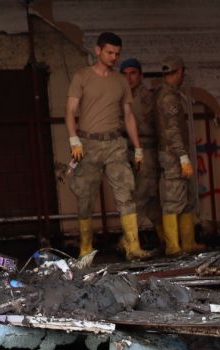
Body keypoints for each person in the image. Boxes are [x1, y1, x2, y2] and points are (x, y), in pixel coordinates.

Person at [64, 32, 149, 260]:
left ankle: (133, 247)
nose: (114, 57)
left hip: (115, 144)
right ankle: (85, 248)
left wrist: (138, 147)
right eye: (110, 52)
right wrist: (74, 140)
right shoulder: (82, 77)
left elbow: (128, 116)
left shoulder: (120, 81)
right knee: (86, 197)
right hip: (87, 144)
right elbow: (70, 111)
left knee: (126, 194)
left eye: (117, 54)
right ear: (97, 50)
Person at [154, 56, 203, 255]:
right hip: (173, 154)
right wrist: (183, 156)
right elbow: (172, 130)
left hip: (174, 153)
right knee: (173, 199)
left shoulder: (169, 94)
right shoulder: (169, 98)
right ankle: (173, 246)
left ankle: (188, 243)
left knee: (185, 198)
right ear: (180, 72)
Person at [120, 58, 162, 236]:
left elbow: (149, 125)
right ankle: (165, 238)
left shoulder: (146, 97)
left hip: (146, 150)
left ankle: (129, 241)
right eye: (125, 74)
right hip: (129, 151)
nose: (129, 78)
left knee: (142, 194)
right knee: (150, 199)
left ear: (141, 75)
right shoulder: (122, 97)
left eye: (133, 73)